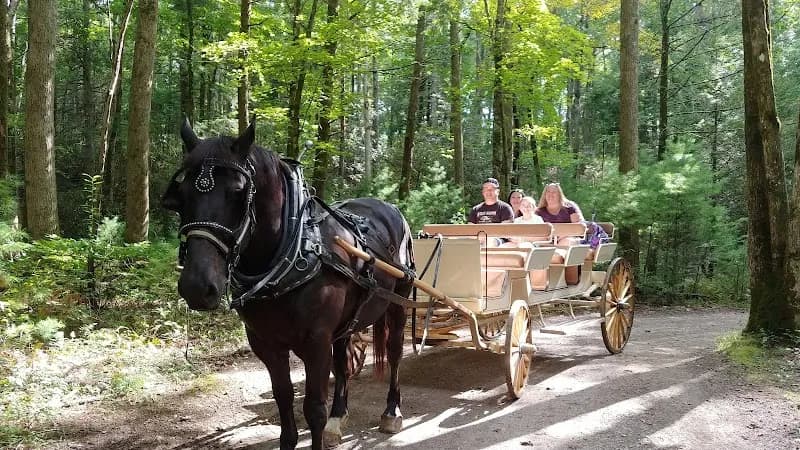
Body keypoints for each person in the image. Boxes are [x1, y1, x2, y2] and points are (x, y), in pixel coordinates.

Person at [536, 183, 584, 284]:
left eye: (554, 192)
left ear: (559, 194)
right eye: (548, 192)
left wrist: (563, 234)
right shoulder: (539, 211)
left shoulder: (569, 208)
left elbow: (579, 227)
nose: (550, 194)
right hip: (548, 240)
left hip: (568, 237)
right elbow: (537, 229)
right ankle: (541, 282)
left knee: (567, 242)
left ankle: (569, 280)